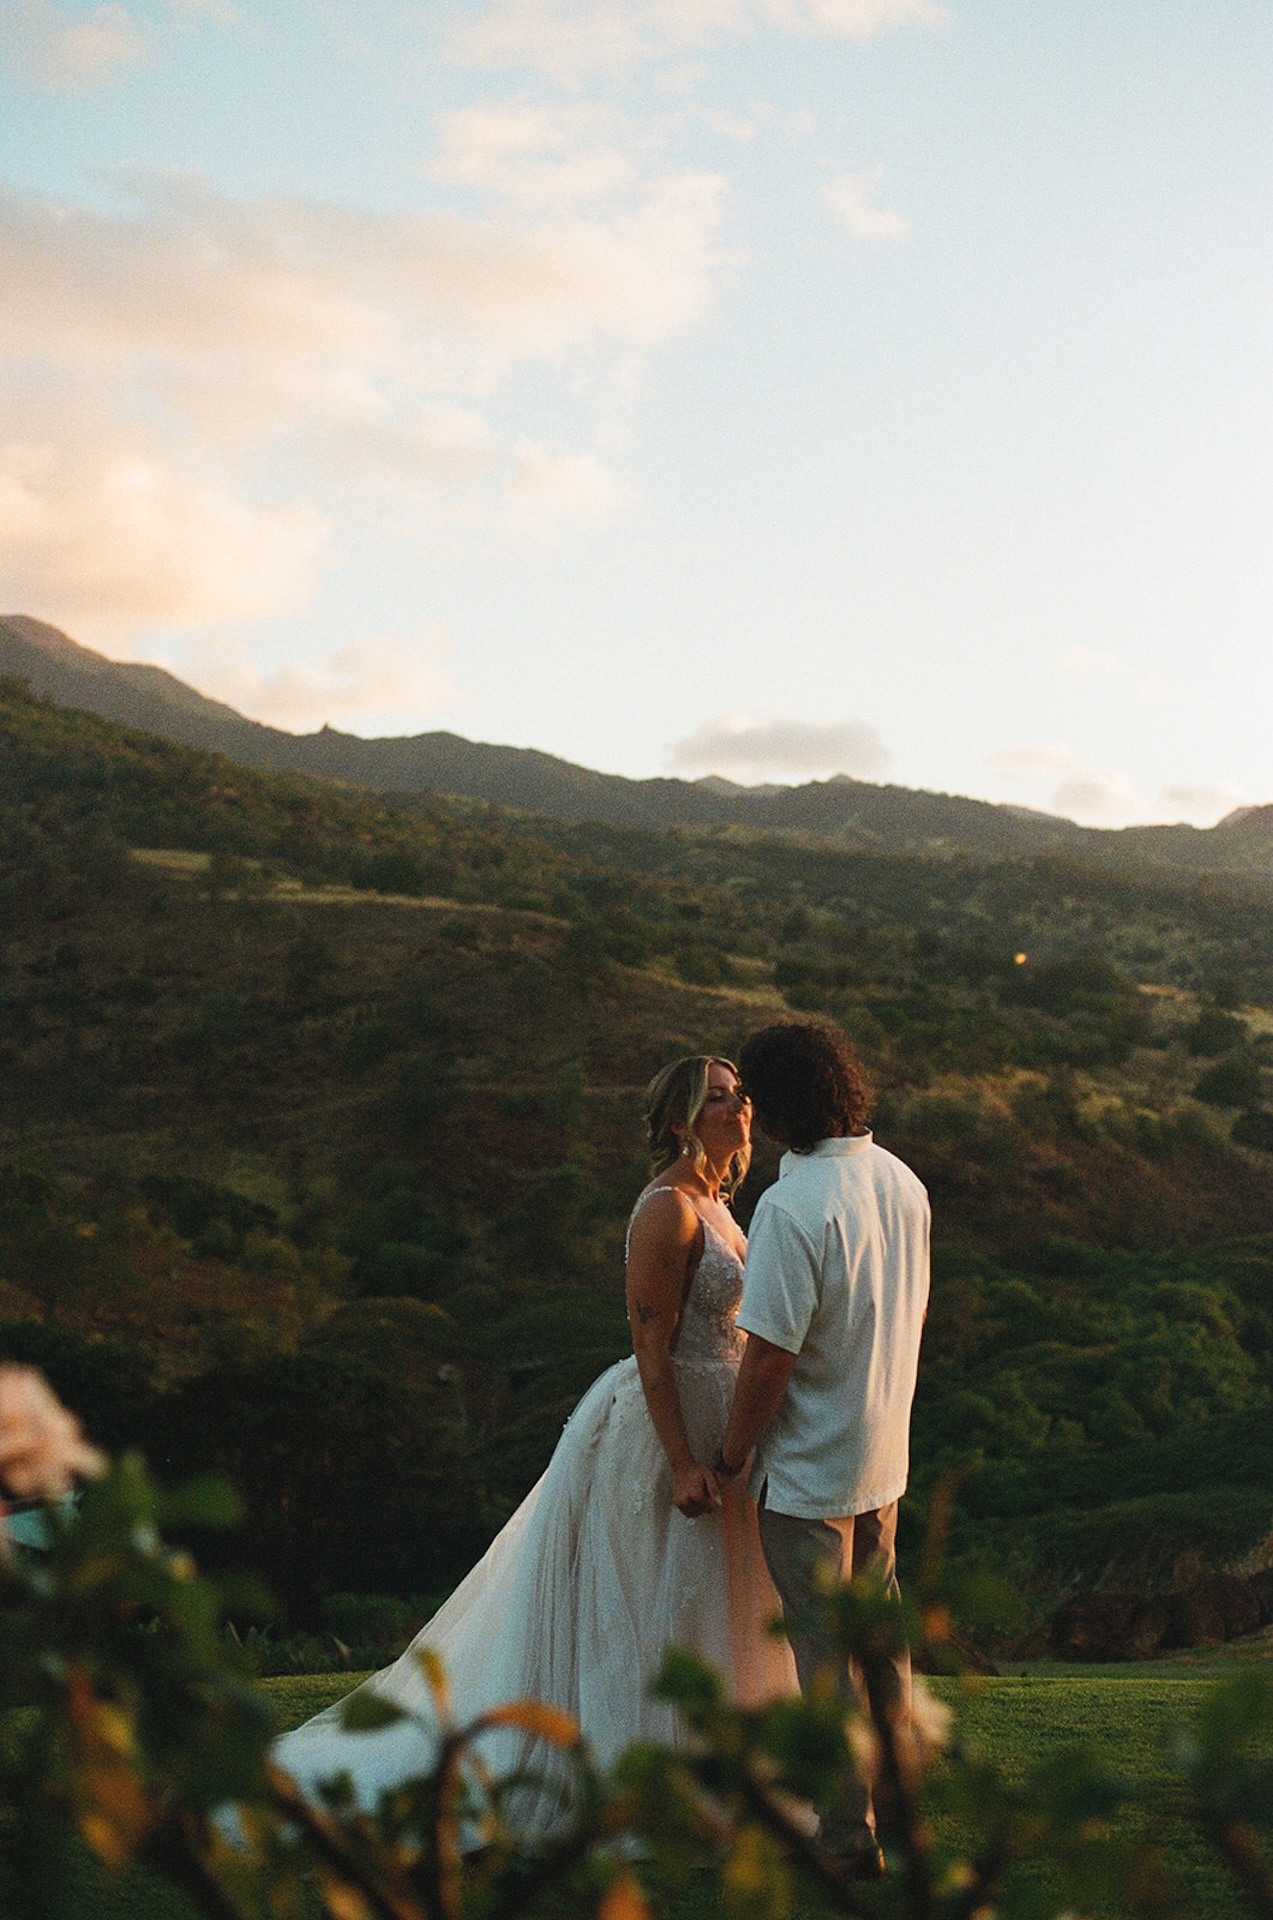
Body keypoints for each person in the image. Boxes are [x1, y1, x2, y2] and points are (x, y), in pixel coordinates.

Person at [273, 1055, 794, 1826]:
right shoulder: (668, 1210)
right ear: (680, 1120)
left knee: (716, 1598)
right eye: (716, 1099)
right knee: (653, 1598)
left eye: (740, 1096)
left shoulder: (717, 1203)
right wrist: (682, 1460)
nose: (737, 1109)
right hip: (667, 1427)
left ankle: (713, 1762)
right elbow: (652, 1345)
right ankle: (638, 1775)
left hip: (724, 1418)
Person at [714, 1018, 930, 1875]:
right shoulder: (900, 1180)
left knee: (826, 1661)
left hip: (808, 1472)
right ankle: (903, 1811)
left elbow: (768, 1356)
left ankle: (846, 1840)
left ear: (779, 1107)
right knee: (881, 1649)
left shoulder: (791, 1205)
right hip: (883, 1457)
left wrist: (731, 1455)